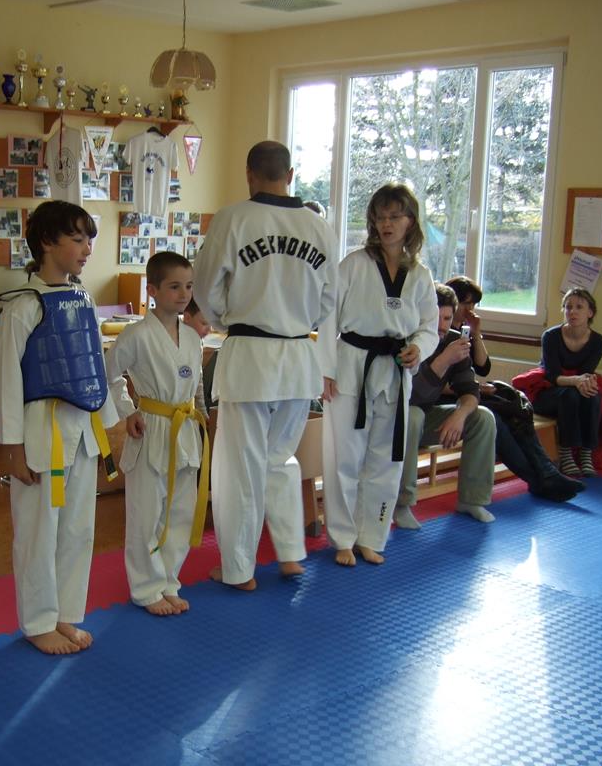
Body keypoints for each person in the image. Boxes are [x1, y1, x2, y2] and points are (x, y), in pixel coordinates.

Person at [193, 140, 339, 590]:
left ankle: (238, 570)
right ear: (290, 175)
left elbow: (205, 287)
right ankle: (291, 554)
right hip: (298, 357)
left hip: (250, 357)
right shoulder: (319, 227)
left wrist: (227, 319)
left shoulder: (233, 218)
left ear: (249, 174)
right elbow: (329, 300)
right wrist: (297, 321)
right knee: (279, 459)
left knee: (240, 467)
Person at [0, 200, 120, 655]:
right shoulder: (23, 307)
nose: (87, 249)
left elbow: (93, 366)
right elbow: (4, 378)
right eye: (77, 239)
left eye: (89, 240)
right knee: (38, 532)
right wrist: (12, 447)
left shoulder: (83, 299)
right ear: (47, 242)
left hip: (81, 432)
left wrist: (108, 425)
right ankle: (38, 621)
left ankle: (65, 613)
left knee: (78, 530)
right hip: (41, 434)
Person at [320, 183, 439, 566]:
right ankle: (342, 538)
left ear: (410, 222)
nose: (386, 224)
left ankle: (371, 536)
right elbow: (327, 318)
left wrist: (419, 348)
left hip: (395, 371)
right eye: (380, 217)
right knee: (345, 458)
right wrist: (326, 370)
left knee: (386, 461)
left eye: (395, 216)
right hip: (352, 365)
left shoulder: (419, 274)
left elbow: (430, 327)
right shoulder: (353, 264)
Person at [106, 252, 209, 616]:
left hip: (185, 428)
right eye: (174, 287)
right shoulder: (136, 335)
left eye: (189, 286)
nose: (184, 294)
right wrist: (128, 411)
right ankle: (146, 588)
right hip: (150, 426)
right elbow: (109, 376)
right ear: (152, 290)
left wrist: (202, 413)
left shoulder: (193, 337)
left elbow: (196, 384)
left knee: (180, 512)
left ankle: (168, 581)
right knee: (146, 514)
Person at [443, 276, 583, 502]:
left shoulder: (464, 329)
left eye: (473, 304)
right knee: (497, 418)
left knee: (518, 405)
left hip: (467, 391)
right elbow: (437, 382)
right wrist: (477, 388)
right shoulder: (440, 330)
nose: (469, 310)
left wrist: (476, 333)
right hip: (450, 396)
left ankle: (546, 473)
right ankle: (540, 479)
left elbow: (483, 366)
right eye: (465, 303)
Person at [393, 284, 497, 528]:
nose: (442, 325)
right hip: (395, 418)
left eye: (448, 318)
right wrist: (443, 360)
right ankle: (402, 503)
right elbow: (410, 395)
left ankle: (472, 500)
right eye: (437, 318)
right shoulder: (406, 339)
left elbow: (470, 390)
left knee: (482, 417)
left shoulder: (453, 340)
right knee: (413, 415)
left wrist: (460, 414)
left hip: (426, 417)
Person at [532, 287, 602, 477]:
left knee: (593, 396)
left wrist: (582, 382)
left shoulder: (598, 341)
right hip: (548, 392)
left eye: (579, 307)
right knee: (570, 395)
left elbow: (586, 373)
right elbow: (552, 376)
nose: (572, 311)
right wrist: (576, 381)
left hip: (578, 387)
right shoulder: (551, 336)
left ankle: (586, 453)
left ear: (590, 313)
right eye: (568, 307)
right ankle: (565, 453)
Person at [182, 297, 215, 418]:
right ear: (187, 318)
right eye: (204, 323)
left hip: (186, 409)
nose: (209, 329)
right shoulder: (170, 338)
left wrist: (202, 411)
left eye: (211, 324)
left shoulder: (197, 341)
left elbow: (197, 380)